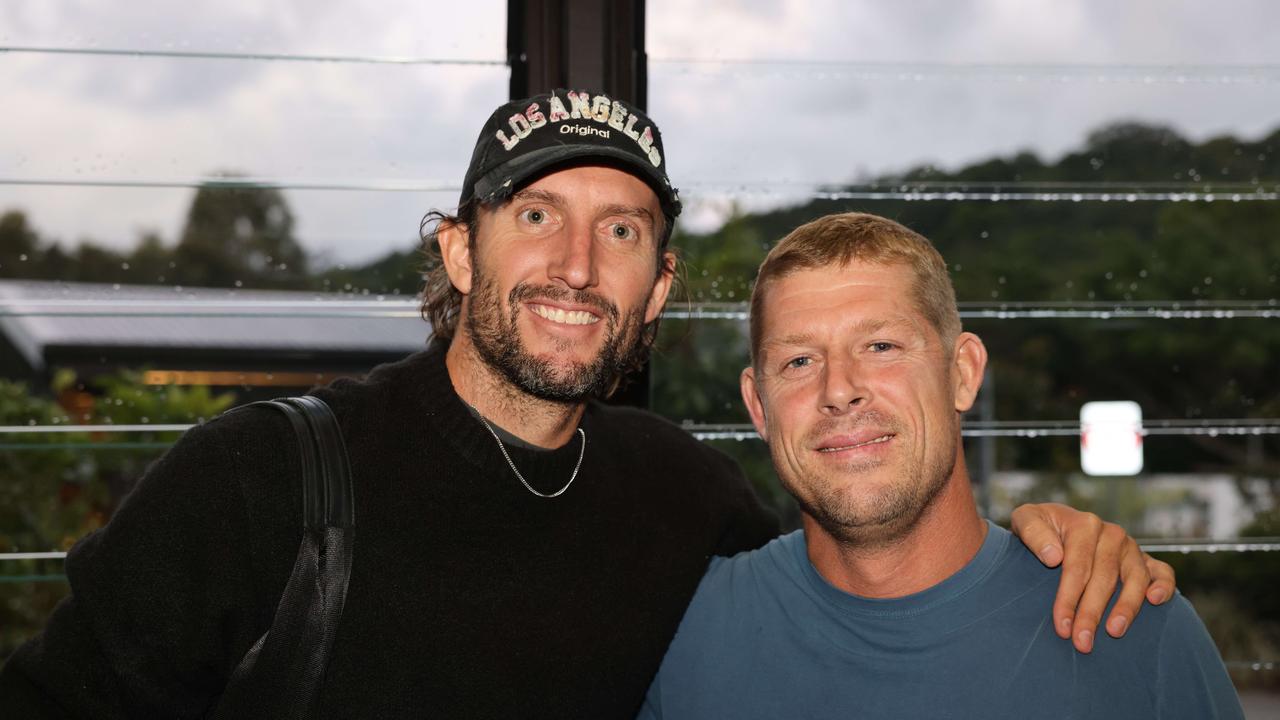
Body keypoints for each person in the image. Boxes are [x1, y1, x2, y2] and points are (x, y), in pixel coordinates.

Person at [1, 92, 1172, 719]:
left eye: (619, 230)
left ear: (655, 287)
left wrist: (1053, 540)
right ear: (459, 255)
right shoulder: (259, 481)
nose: (575, 263)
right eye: (533, 215)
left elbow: (868, 551)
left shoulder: (681, 493)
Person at [640, 212, 1243, 719]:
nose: (840, 389)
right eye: (799, 361)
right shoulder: (679, 634)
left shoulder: (1133, 629)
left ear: (963, 373)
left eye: (881, 347)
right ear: (757, 405)